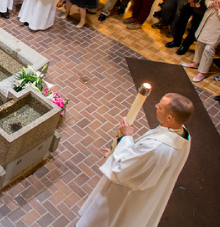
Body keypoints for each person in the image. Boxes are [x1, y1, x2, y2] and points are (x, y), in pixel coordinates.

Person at [77, 93, 193, 227]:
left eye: (160, 107)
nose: (156, 106)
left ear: (169, 117)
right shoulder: (183, 135)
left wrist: (126, 137)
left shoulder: (158, 147)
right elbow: (140, 159)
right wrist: (117, 151)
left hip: (127, 196)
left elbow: (123, 170)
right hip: (147, 194)